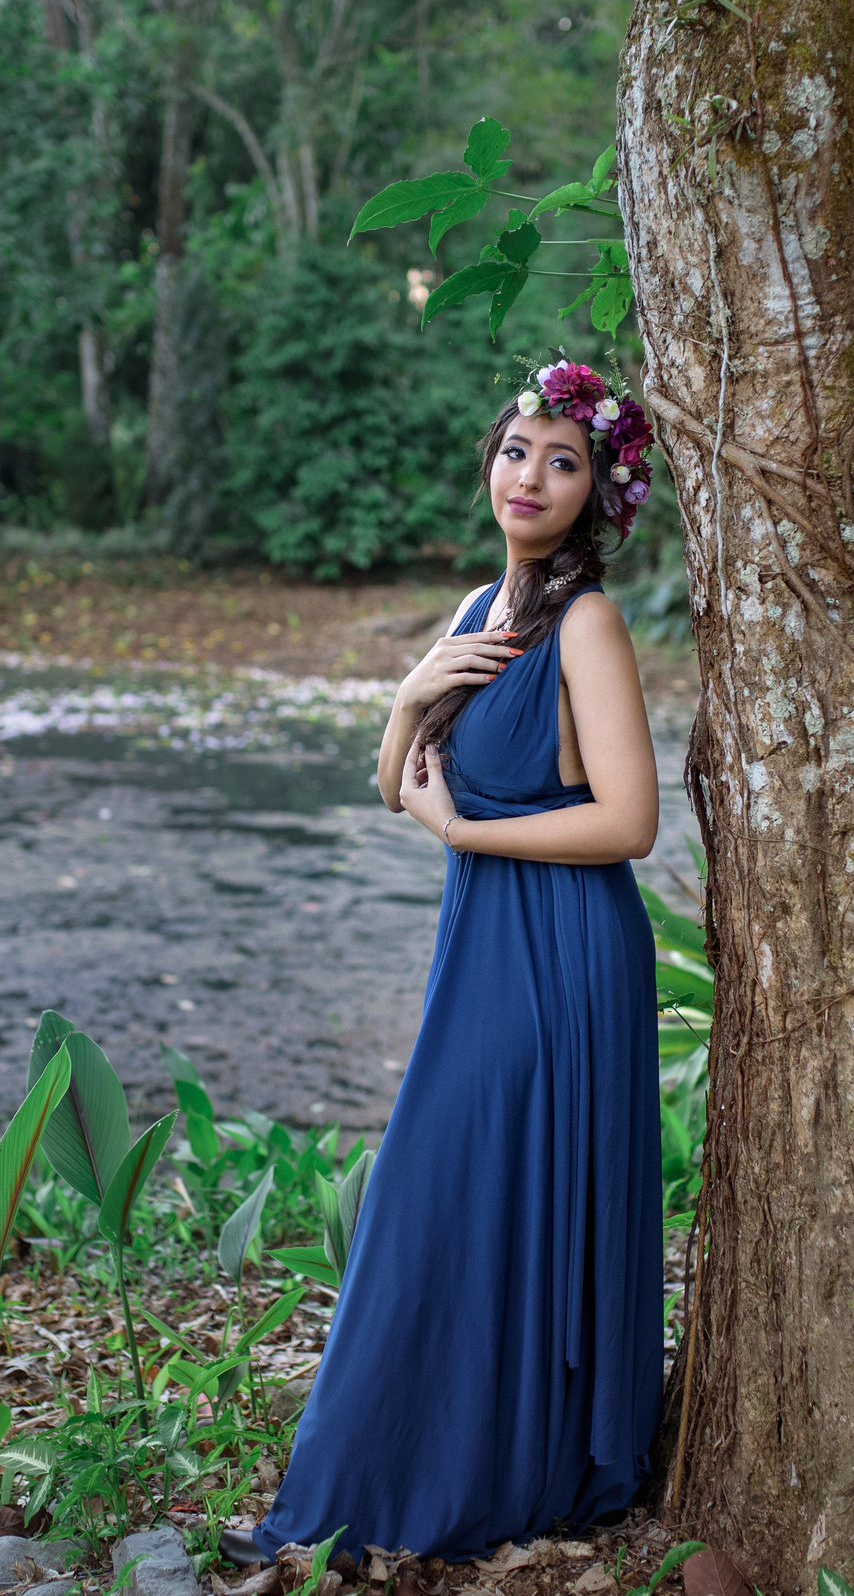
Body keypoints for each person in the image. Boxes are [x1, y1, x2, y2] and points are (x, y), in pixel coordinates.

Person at [230, 359, 666, 1566]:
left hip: (567, 954)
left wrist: (467, 829)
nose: (529, 475)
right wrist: (405, 699)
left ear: (597, 494)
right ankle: (383, 1481)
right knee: (445, 1200)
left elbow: (629, 820)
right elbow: (397, 783)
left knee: (457, 1190)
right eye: (515, 450)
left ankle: (483, 1474)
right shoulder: (482, 609)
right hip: (480, 938)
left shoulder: (586, 622)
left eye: (562, 460)